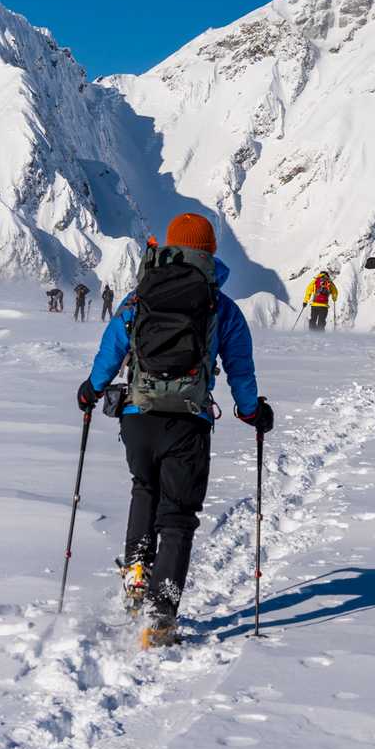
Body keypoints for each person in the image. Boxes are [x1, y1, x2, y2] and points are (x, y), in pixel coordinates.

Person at [76, 212, 273, 648]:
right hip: (187, 422)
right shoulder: (221, 306)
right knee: (178, 518)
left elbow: (112, 349)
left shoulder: (139, 296)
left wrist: (92, 390)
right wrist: (251, 412)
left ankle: (137, 570)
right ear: (210, 252)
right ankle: (161, 616)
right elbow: (240, 369)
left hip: (137, 418)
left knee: (144, 487)